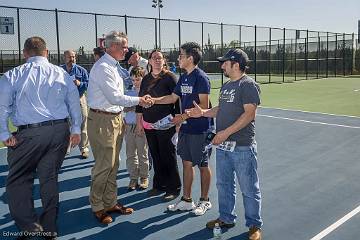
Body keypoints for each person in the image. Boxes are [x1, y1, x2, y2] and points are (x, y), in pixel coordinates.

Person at [0, 36, 81, 239]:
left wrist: (4, 133)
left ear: (25, 53)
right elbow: (74, 103)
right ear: (46, 53)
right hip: (60, 132)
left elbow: (2, 107)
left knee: (18, 180)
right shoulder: (61, 73)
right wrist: (76, 129)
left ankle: (31, 229)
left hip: (30, 133)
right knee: (49, 178)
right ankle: (49, 228)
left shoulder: (13, 75)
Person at [186, 49, 263, 240]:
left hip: (242, 147)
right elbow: (221, 109)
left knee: (249, 188)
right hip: (223, 147)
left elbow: (250, 114)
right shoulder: (227, 86)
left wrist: (225, 133)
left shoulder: (248, 85)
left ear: (236, 64)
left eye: (225, 63)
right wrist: (203, 113)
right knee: (224, 185)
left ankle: (254, 225)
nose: (222, 66)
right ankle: (226, 218)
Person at [87, 31, 152, 225]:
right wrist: (140, 99)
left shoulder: (113, 66)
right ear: (112, 47)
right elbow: (115, 98)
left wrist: (121, 115)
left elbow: (117, 99)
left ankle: (110, 202)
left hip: (114, 119)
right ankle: (98, 207)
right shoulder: (103, 68)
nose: (127, 50)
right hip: (102, 121)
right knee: (103, 166)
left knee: (113, 165)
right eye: (124, 46)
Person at [151, 42, 213, 216]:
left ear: (190, 58)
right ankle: (187, 200)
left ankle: (204, 200)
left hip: (200, 130)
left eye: (181, 55)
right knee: (186, 163)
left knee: (203, 164)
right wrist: (153, 100)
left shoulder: (201, 78)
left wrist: (182, 117)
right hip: (186, 129)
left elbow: (204, 105)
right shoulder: (184, 77)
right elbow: (172, 97)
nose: (178, 58)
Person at [136, 49, 181, 202]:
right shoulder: (146, 79)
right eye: (154, 58)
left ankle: (173, 188)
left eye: (159, 58)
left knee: (168, 155)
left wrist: (178, 121)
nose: (157, 60)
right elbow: (140, 101)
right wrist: (139, 122)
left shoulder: (170, 77)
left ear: (163, 61)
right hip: (149, 125)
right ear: (149, 61)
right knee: (155, 155)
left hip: (166, 124)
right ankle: (159, 185)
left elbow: (177, 100)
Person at [124, 66, 149, 191]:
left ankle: (144, 177)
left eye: (138, 79)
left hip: (142, 127)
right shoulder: (128, 93)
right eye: (133, 80)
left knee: (142, 153)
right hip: (128, 126)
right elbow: (123, 108)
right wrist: (135, 104)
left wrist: (134, 105)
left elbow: (147, 109)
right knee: (130, 154)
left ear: (143, 78)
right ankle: (133, 178)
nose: (135, 82)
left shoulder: (147, 93)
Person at [61, 50, 90, 159]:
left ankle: (84, 148)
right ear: (64, 57)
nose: (71, 59)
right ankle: (66, 148)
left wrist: (79, 83)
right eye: (69, 57)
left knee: (83, 122)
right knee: (65, 125)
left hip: (79, 98)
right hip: (64, 101)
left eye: (73, 57)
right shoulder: (59, 70)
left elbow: (88, 84)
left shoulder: (81, 70)